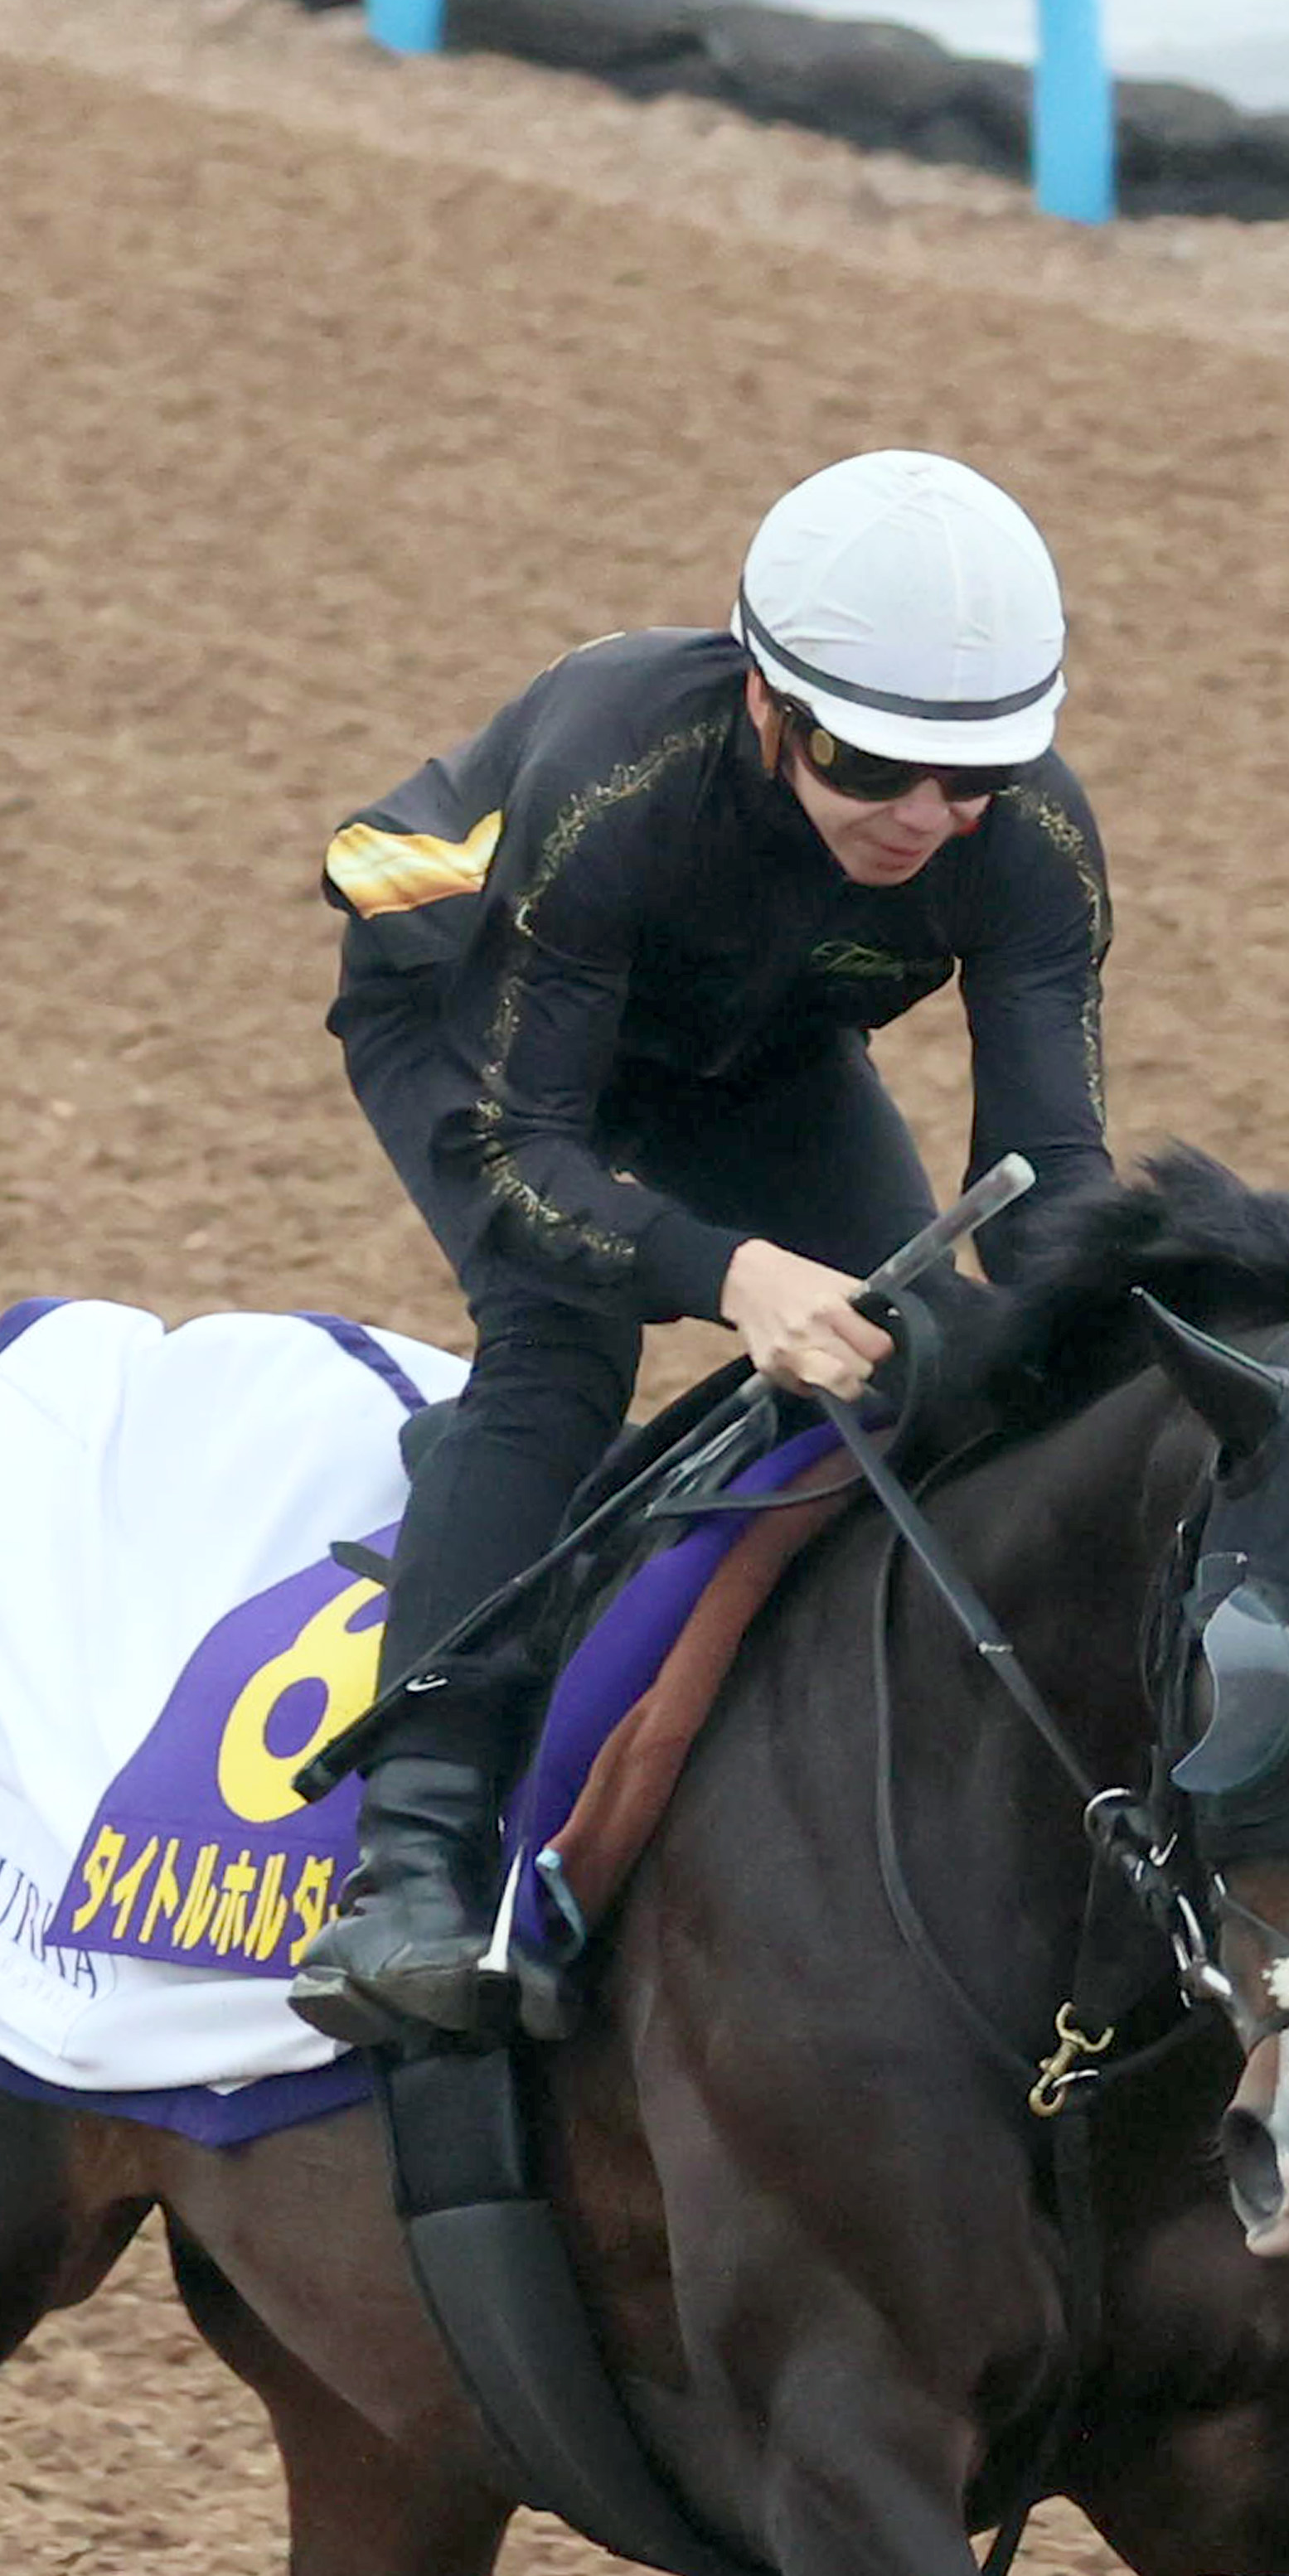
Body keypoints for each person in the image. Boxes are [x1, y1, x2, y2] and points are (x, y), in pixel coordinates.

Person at [287, 448, 1120, 2048]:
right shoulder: (617, 776)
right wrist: (735, 1276)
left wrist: (1135, 1324)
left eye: (979, 781)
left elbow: (1051, 1179)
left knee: (933, 1354)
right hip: (482, 1018)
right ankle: (403, 1872)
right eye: (879, 767)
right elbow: (535, 1158)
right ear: (767, 706)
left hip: (755, 1041)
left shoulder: (1030, 850)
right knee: (561, 1345)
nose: (931, 820)